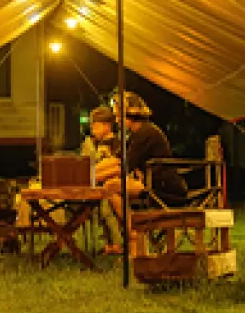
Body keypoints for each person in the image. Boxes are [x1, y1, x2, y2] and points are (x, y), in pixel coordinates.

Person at [100, 92, 188, 226]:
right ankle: (128, 230)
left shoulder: (146, 133)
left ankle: (132, 230)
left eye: (118, 116)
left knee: (111, 187)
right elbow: (115, 159)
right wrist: (92, 172)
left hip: (163, 188)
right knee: (112, 185)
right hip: (150, 183)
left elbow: (122, 167)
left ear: (130, 114)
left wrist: (93, 177)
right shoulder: (136, 134)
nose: (117, 121)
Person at [80, 106, 123, 254]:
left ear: (107, 126)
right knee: (101, 214)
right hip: (99, 185)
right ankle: (108, 243)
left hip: (112, 185)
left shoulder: (115, 143)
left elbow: (115, 165)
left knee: (107, 212)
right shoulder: (95, 143)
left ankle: (117, 243)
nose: (93, 129)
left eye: (95, 126)